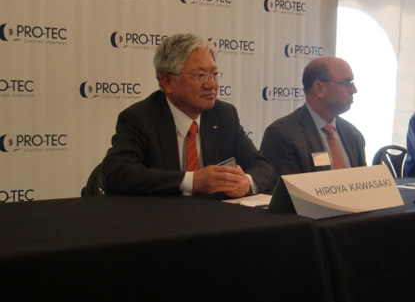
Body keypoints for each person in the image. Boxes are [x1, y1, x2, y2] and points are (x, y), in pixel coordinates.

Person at [101, 33, 276, 197]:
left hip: (217, 220)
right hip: (162, 222)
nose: (212, 85)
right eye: (200, 75)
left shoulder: (224, 115)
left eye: (214, 74)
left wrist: (246, 182)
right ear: (168, 82)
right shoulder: (140, 118)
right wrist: (192, 181)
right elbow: (117, 174)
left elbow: (263, 167)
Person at [260, 56, 366, 177]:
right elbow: (288, 192)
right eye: (347, 83)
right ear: (319, 88)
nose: (354, 90)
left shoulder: (353, 134)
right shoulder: (282, 135)